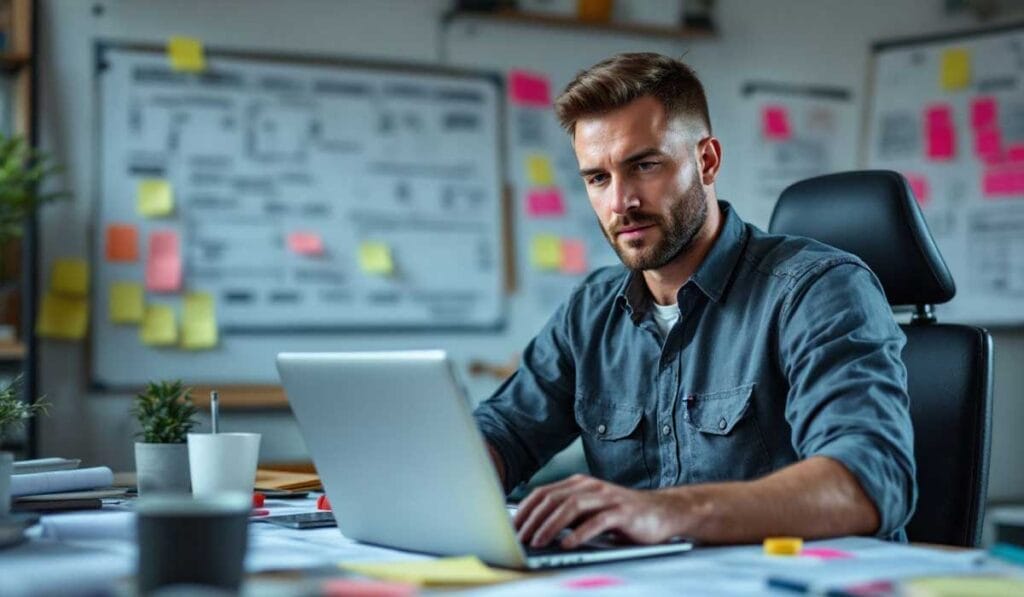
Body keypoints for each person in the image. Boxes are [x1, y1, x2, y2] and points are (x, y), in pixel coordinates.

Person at [473, 53, 916, 550]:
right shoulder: (590, 310)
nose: (621, 202)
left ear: (706, 161)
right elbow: (503, 432)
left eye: (644, 165)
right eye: (598, 178)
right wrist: (445, 474)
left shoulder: (818, 290)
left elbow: (870, 481)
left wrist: (668, 512)